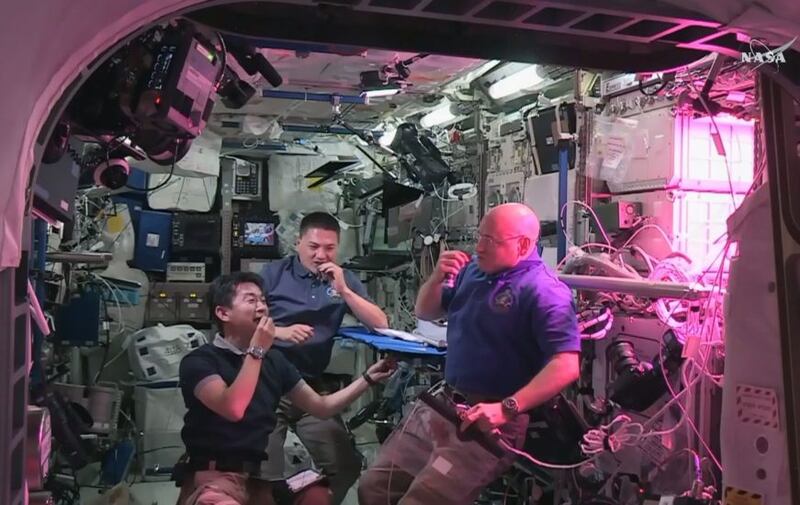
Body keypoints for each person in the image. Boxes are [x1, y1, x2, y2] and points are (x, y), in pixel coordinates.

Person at [358, 203, 581, 505]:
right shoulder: (473, 271)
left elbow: (566, 365)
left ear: (523, 245)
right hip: (445, 404)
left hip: (489, 421)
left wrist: (506, 408)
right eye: (480, 236)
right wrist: (437, 278)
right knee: (374, 488)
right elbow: (426, 311)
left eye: (490, 240)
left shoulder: (545, 291)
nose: (479, 247)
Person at [177, 272, 395, 505]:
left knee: (317, 496)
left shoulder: (274, 361)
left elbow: (320, 407)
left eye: (263, 301)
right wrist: (257, 351)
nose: (261, 307)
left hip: (256, 480)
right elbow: (233, 408)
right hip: (215, 476)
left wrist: (367, 379)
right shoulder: (200, 361)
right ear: (223, 313)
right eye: (251, 300)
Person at [260, 212, 389, 504]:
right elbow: (243, 323)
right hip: (267, 386)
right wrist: (279, 332)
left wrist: (344, 290)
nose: (321, 255)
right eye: (313, 246)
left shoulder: (343, 279)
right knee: (263, 477)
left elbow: (380, 323)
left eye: (329, 248)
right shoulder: (273, 274)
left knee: (345, 465)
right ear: (298, 243)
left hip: (310, 388)